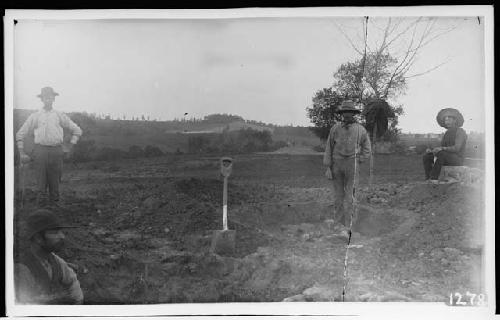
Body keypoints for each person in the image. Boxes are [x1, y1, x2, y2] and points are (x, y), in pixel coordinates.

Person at [16, 87, 83, 205]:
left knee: (55, 184)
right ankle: (40, 213)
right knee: (40, 185)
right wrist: (21, 153)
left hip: (56, 152)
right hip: (40, 152)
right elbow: (20, 134)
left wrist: (70, 147)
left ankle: (55, 210)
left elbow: (77, 130)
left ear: (53, 98)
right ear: (42, 99)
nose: (48, 99)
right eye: (45, 97)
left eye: (50, 97)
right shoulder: (35, 116)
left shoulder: (59, 115)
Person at [323, 100, 371, 239]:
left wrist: (360, 159)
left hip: (352, 164)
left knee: (350, 197)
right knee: (338, 197)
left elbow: (367, 148)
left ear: (354, 114)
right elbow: (329, 147)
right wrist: (328, 167)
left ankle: (349, 226)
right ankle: (337, 224)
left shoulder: (360, 129)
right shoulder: (335, 129)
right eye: (344, 113)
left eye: (350, 112)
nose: (347, 115)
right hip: (336, 164)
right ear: (341, 114)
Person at [15, 209, 84, 304]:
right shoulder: (22, 269)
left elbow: (72, 281)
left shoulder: (54, 259)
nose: (62, 236)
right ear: (38, 238)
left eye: (60, 232)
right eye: (55, 232)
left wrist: (77, 304)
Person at [423, 108, 467, 183]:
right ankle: (428, 178)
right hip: (446, 158)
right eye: (446, 120)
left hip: (457, 159)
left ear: (455, 121)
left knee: (442, 154)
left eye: (449, 119)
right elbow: (441, 147)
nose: (447, 122)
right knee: (427, 156)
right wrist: (433, 150)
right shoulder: (446, 133)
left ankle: (434, 179)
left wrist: (442, 149)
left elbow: (456, 148)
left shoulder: (460, 132)